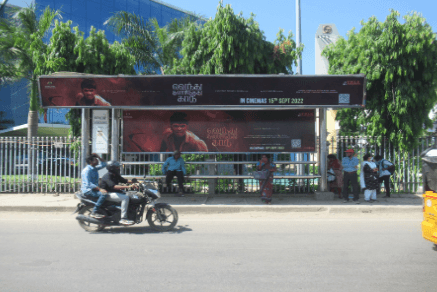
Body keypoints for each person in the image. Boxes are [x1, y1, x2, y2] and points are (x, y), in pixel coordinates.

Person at [99, 161, 138, 225]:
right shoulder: (107, 176)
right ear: (112, 168)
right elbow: (114, 187)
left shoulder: (115, 174)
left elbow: (124, 180)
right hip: (107, 194)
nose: (118, 168)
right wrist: (129, 186)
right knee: (125, 198)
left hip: (113, 192)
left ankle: (128, 212)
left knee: (130, 194)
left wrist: (134, 182)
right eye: (117, 167)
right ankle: (123, 218)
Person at [81, 153, 108, 219]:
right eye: (95, 160)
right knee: (104, 194)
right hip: (88, 190)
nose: (97, 161)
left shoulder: (94, 168)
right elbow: (88, 184)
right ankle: (94, 212)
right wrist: (99, 189)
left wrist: (98, 157)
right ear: (91, 162)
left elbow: (104, 164)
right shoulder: (87, 170)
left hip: (94, 188)